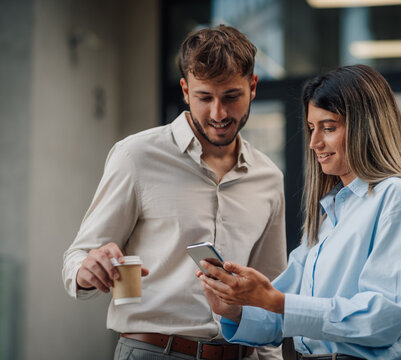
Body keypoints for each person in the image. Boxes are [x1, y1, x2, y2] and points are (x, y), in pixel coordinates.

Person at [62, 24, 287, 360]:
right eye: (204, 97)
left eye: (231, 96)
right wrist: (85, 270)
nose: (218, 114)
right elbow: (79, 256)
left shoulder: (269, 176)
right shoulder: (136, 156)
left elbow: (269, 289)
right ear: (185, 89)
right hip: (153, 351)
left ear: (252, 86)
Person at [197, 64, 401, 360]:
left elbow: (385, 318)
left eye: (329, 128)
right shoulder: (330, 214)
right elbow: (283, 315)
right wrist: (235, 308)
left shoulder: (396, 196)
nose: (315, 143)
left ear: (365, 126)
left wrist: (275, 300)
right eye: (312, 128)